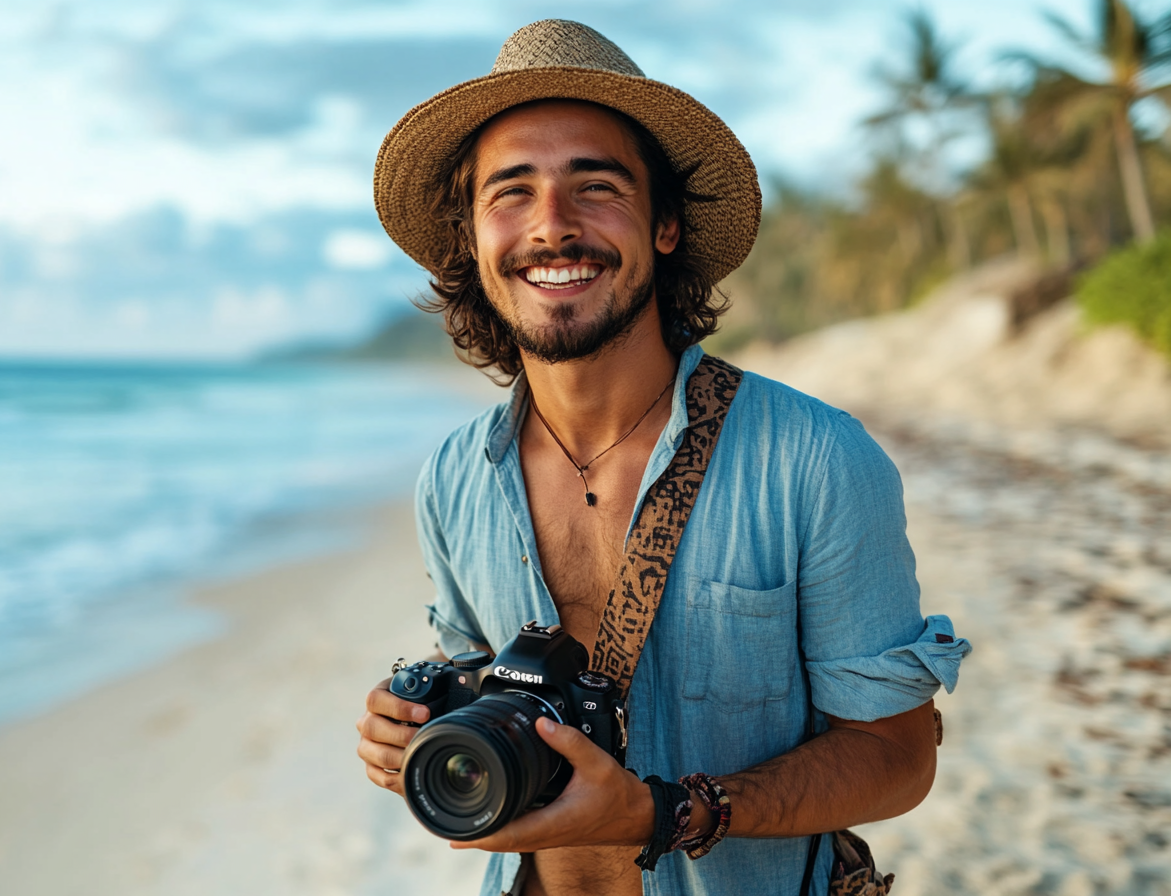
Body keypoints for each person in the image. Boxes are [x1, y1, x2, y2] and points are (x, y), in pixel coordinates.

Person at [355, 19, 970, 896]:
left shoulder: (812, 459)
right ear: (474, 240)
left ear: (667, 222)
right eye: (511, 193)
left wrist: (667, 814)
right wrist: (408, 728)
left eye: (595, 186)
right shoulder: (455, 479)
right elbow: (476, 673)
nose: (553, 227)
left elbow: (895, 756)